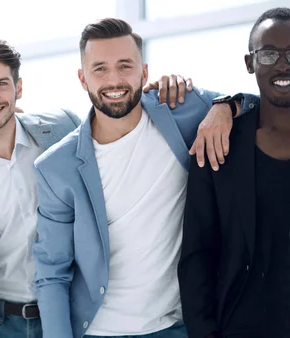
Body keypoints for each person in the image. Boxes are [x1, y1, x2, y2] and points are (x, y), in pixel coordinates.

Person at [31, 18, 259, 338]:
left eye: (125, 66)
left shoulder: (184, 110)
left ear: (144, 72)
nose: (114, 80)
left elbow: (254, 104)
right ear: (83, 79)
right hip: (98, 330)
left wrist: (224, 108)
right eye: (100, 69)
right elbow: (51, 274)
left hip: (175, 326)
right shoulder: (57, 167)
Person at [178, 7, 290, 338]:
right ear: (250, 63)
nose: (283, 64)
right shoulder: (219, 145)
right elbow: (197, 257)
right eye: (269, 53)